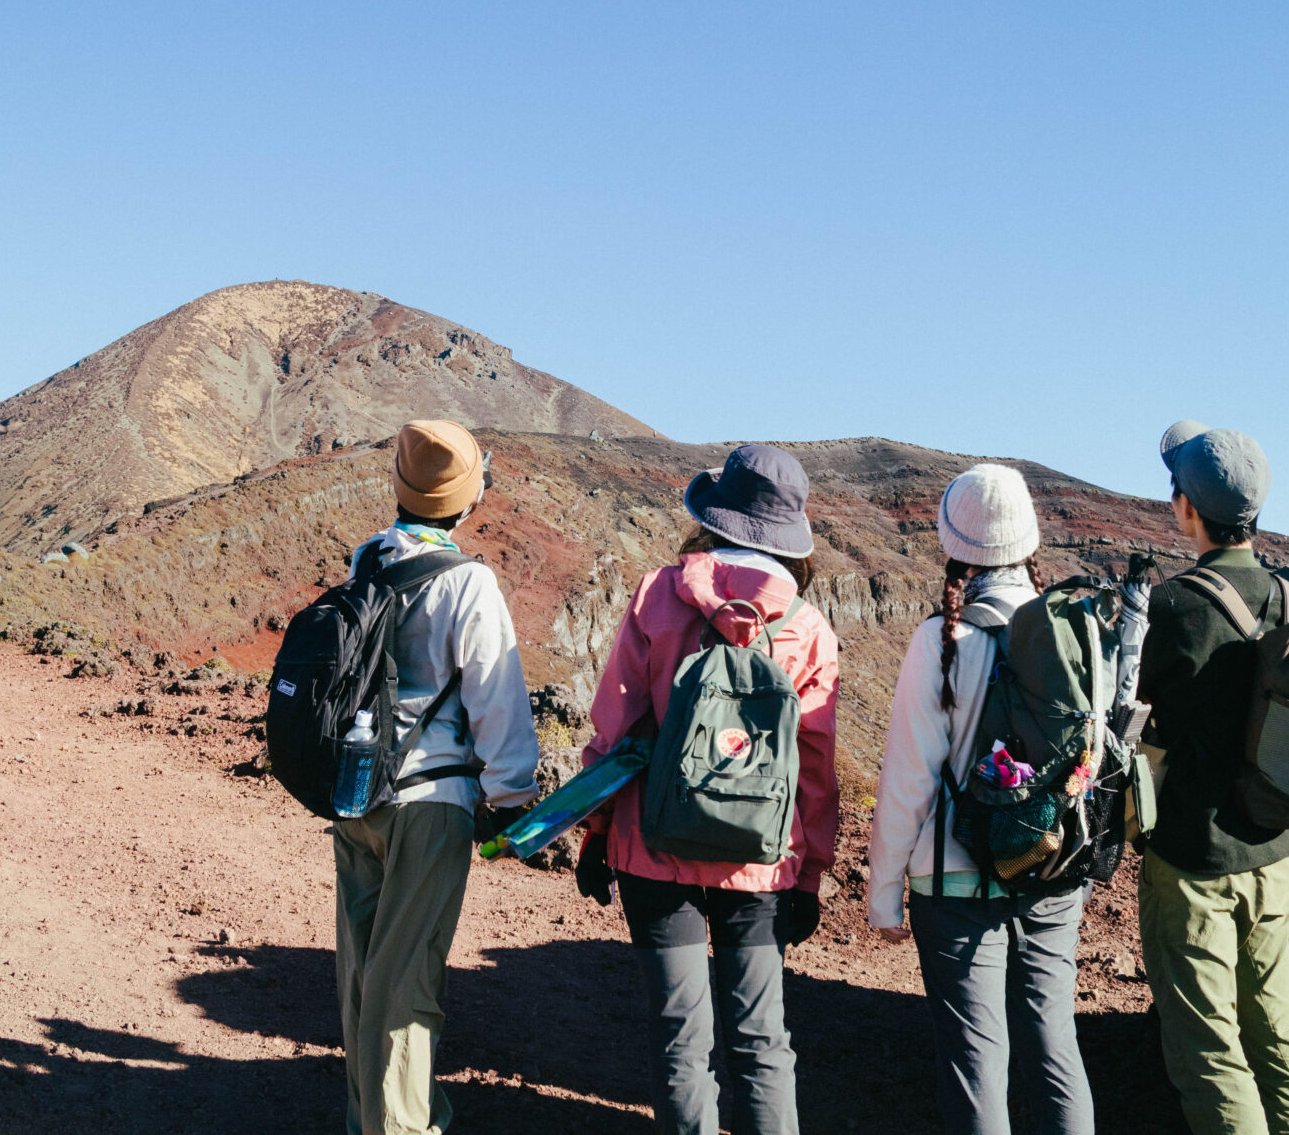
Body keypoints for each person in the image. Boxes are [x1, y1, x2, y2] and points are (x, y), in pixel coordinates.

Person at [575, 443, 840, 1135]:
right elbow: (814, 766)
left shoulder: (657, 597)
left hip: (652, 850)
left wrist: (597, 829)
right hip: (762, 861)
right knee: (761, 1042)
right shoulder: (808, 629)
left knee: (679, 1041)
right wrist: (809, 873)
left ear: (715, 519)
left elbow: (617, 727)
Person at [865, 464, 1094, 1135]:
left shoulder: (940, 642)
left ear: (955, 544)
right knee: (1056, 1048)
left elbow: (907, 779)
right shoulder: (1074, 636)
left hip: (954, 885)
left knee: (976, 1060)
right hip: (1052, 871)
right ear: (1028, 541)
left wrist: (883, 895)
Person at [334, 419, 539, 1135]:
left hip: (356, 791)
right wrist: (514, 800)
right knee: (409, 982)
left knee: (363, 972)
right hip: (433, 799)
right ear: (468, 497)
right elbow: (498, 699)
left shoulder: (368, 560)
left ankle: (376, 1117)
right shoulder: (468, 583)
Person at [1136, 421, 1289, 1135]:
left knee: (1209, 1048)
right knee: (1279, 1032)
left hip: (1195, 864)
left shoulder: (1174, 607)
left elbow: (1143, 724)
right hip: (1275, 858)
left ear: (1187, 506)